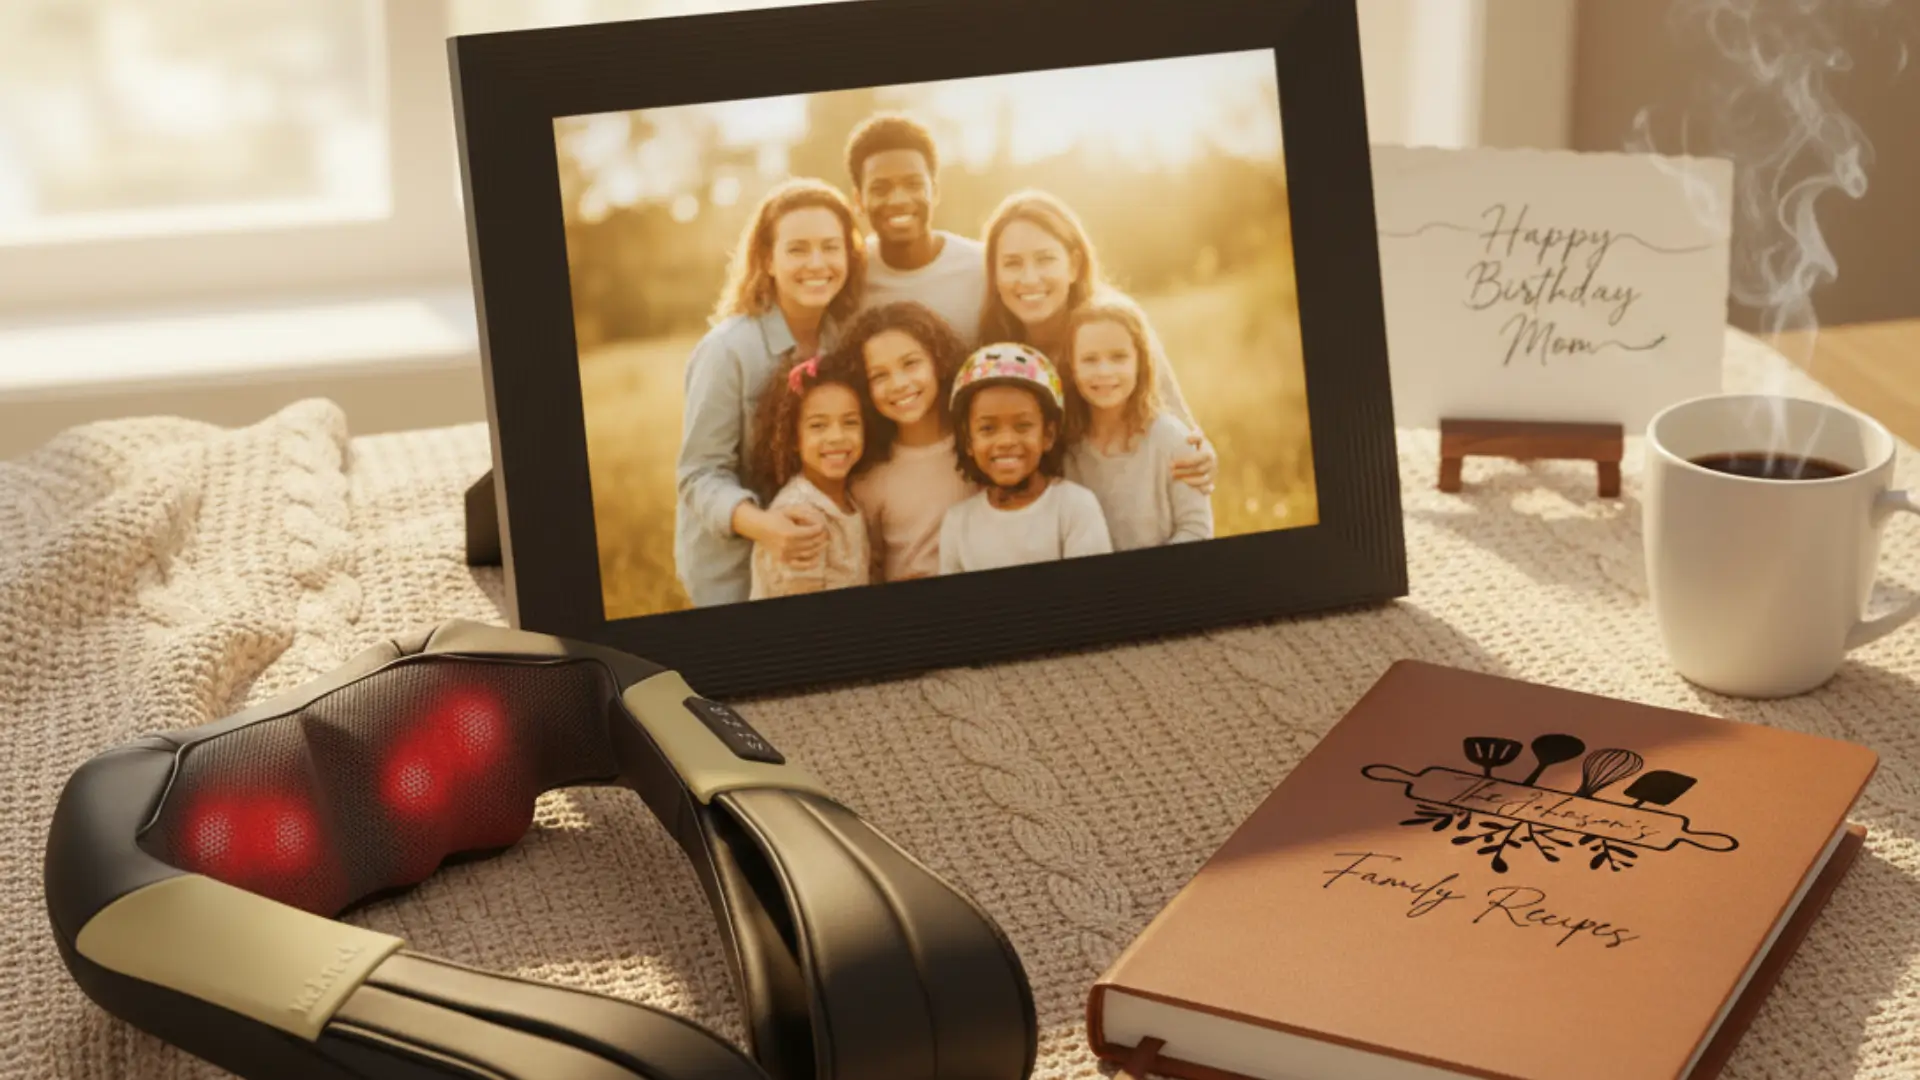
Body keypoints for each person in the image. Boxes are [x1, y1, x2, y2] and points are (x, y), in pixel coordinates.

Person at [675, 177, 868, 607]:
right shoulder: (727, 351)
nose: (817, 262)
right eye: (798, 248)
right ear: (767, 259)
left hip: (825, 554)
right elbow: (699, 475)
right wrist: (765, 526)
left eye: (830, 246)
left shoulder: (844, 341)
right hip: (735, 569)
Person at [976, 189, 1218, 494]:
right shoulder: (993, 352)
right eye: (1012, 263)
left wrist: (1200, 451)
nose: (1029, 278)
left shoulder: (1116, 326)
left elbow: (1179, 423)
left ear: (1074, 265)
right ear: (994, 273)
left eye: (1045, 259)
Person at [836, 300, 979, 582]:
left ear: (938, 360)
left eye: (910, 363)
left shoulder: (980, 446)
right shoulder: (868, 478)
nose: (899, 383)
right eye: (879, 375)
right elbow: (867, 568)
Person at [938, 343, 1112, 574]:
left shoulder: (1074, 508)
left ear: (1047, 435)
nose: (1006, 441)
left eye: (1023, 426)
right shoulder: (957, 523)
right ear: (969, 441)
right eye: (988, 428)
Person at [1062, 296, 1215, 551]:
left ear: (1140, 362)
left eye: (1118, 357)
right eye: (1090, 359)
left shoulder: (1173, 440)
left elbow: (1196, 529)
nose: (1104, 371)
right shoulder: (1067, 450)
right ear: (1072, 367)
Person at [844, 113, 989, 349]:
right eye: (880, 189)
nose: (899, 200)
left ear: (935, 191)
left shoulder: (981, 268)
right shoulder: (848, 276)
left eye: (913, 185)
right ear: (859, 200)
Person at [744, 356, 872, 599]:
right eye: (818, 426)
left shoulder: (847, 499)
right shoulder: (801, 517)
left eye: (850, 422)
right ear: (794, 438)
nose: (836, 437)